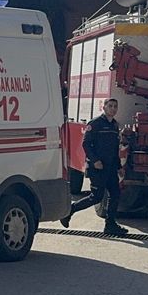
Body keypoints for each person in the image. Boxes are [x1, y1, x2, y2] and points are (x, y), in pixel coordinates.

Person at [63, 98, 128, 235]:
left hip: (110, 168)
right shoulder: (95, 123)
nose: (113, 109)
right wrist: (95, 160)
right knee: (96, 197)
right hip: (98, 168)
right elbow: (86, 144)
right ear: (104, 108)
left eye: (115, 106)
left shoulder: (114, 125)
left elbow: (114, 148)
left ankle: (110, 225)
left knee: (115, 193)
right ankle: (70, 210)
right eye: (110, 106)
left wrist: (119, 167)